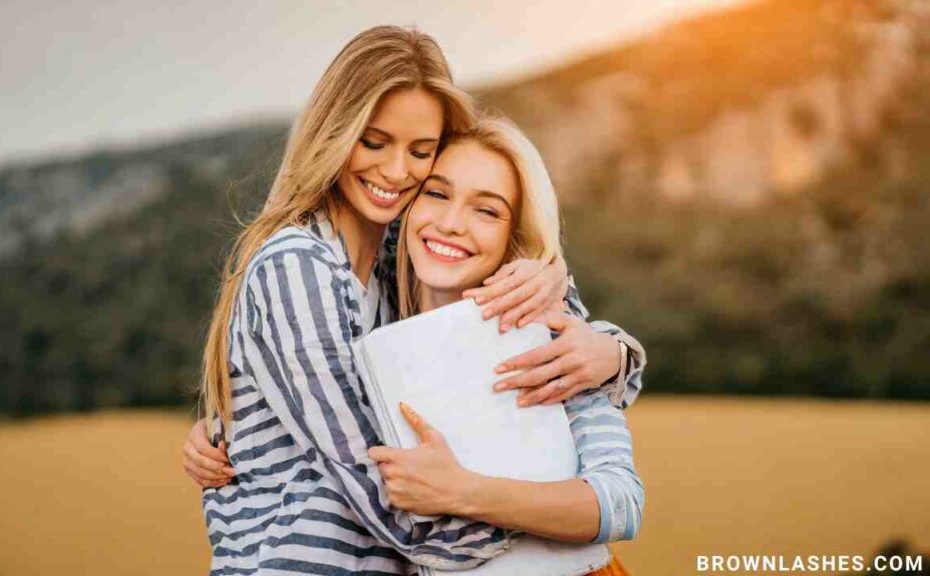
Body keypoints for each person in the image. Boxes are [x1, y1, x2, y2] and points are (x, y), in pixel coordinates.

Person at [192, 25, 645, 575]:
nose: (395, 171)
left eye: (421, 152)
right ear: (333, 131)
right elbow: (383, 489)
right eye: (374, 141)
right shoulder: (300, 265)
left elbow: (602, 441)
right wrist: (540, 534)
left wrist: (611, 350)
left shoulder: (397, 278)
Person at [370, 116, 643, 574]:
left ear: (513, 234)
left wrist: (461, 490)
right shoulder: (371, 321)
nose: (451, 223)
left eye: (487, 210)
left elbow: (621, 502)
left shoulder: (551, 333)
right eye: (436, 193)